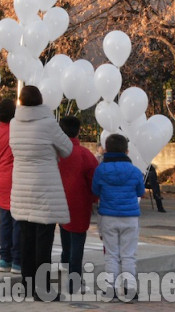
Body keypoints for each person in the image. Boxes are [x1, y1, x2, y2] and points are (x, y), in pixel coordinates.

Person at [9, 85, 73, 301]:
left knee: (26, 236)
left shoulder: (13, 123)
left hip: (21, 185)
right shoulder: (48, 123)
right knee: (43, 240)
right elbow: (67, 149)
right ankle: (43, 289)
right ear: (40, 100)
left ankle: (26, 286)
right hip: (45, 187)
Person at [92, 133, 146, 300]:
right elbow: (141, 192)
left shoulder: (100, 170)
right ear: (127, 151)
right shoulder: (135, 171)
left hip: (108, 216)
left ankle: (110, 289)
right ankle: (130, 289)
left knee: (111, 255)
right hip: (130, 217)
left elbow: (95, 191)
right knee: (128, 255)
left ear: (106, 150)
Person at [58, 115, 99, 295]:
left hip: (57, 199)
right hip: (79, 202)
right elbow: (94, 180)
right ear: (79, 131)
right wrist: (95, 198)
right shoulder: (85, 154)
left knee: (65, 233)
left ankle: (64, 263)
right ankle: (74, 280)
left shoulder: (55, 152)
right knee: (77, 242)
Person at [0, 98, 21, 274]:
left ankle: (4, 258)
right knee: (18, 220)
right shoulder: (19, 131)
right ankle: (17, 260)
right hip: (18, 177)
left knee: (5, 219)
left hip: (1, 178)